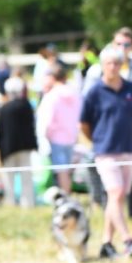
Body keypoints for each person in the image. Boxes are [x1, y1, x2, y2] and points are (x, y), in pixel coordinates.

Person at [82, 27, 132, 219]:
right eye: (118, 43)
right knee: (105, 174)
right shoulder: (96, 71)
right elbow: (87, 98)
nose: (122, 48)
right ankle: (108, 213)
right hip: (106, 130)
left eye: (126, 44)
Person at [80, 45, 132, 259]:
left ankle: (106, 243)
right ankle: (127, 240)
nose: (114, 67)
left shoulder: (131, 89)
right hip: (105, 150)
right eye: (109, 63)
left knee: (118, 198)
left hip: (128, 148)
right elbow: (85, 123)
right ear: (102, 66)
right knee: (115, 193)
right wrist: (98, 140)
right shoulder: (94, 91)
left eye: (117, 63)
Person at [36, 63, 81, 194]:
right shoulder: (75, 94)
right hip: (71, 136)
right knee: (66, 170)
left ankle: (65, 197)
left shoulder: (52, 96)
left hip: (56, 139)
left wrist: (45, 135)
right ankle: (66, 194)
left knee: (61, 172)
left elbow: (47, 121)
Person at [0, 76, 38, 207]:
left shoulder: (4, 108)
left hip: (9, 148)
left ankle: (10, 201)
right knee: (26, 176)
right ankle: (28, 202)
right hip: (25, 147)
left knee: (9, 177)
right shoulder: (27, 106)